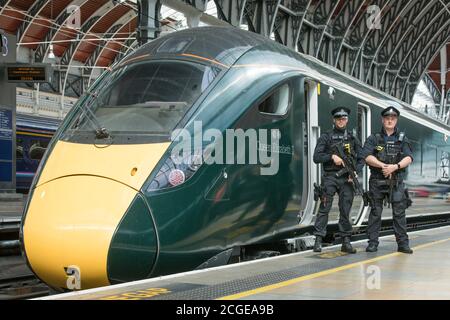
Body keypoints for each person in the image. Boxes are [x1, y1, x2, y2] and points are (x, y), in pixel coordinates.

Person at [361, 106, 414, 254]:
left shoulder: (403, 139)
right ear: (382, 120)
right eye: (387, 118)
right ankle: (372, 243)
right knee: (375, 213)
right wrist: (383, 165)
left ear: (396, 120)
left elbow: (409, 158)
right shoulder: (374, 138)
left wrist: (395, 167)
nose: (390, 120)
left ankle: (403, 244)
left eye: (392, 118)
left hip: (396, 181)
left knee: (399, 213)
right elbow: (366, 156)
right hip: (377, 181)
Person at [312, 107, 364, 253]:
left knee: (345, 210)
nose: (341, 121)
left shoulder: (353, 138)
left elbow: (362, 158)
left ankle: (346, 241)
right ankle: (318, 240)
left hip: (346, 179)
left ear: (347, 120)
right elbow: (316, 157)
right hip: (330, 177)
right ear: (333, 120)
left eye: (344, 118)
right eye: (338, 118)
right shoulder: (326, 137)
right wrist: (331, 157)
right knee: (324, 208)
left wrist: (355, 170)